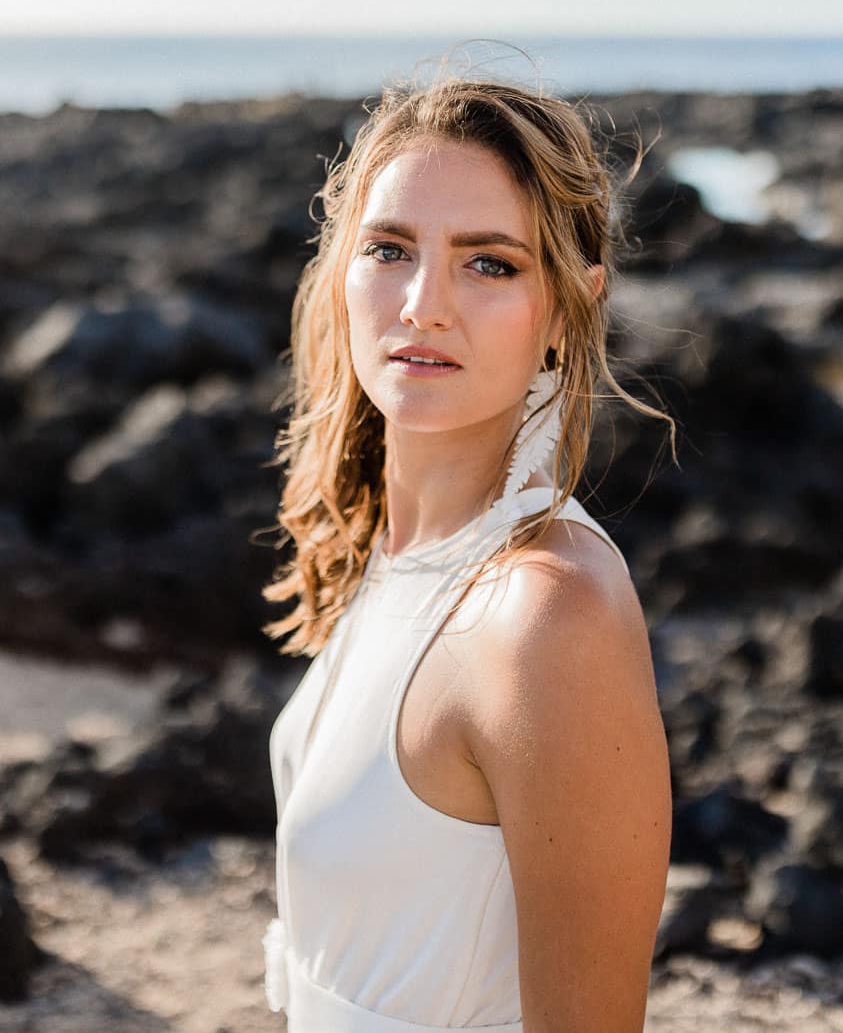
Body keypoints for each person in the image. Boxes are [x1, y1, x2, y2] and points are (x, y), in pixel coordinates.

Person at [259, 67, 678, 1032]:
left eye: (489, 262)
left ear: (570, 307)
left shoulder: (544, 612)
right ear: (342, 274)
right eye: (391, 248)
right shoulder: (397, 551)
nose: (423, 304)